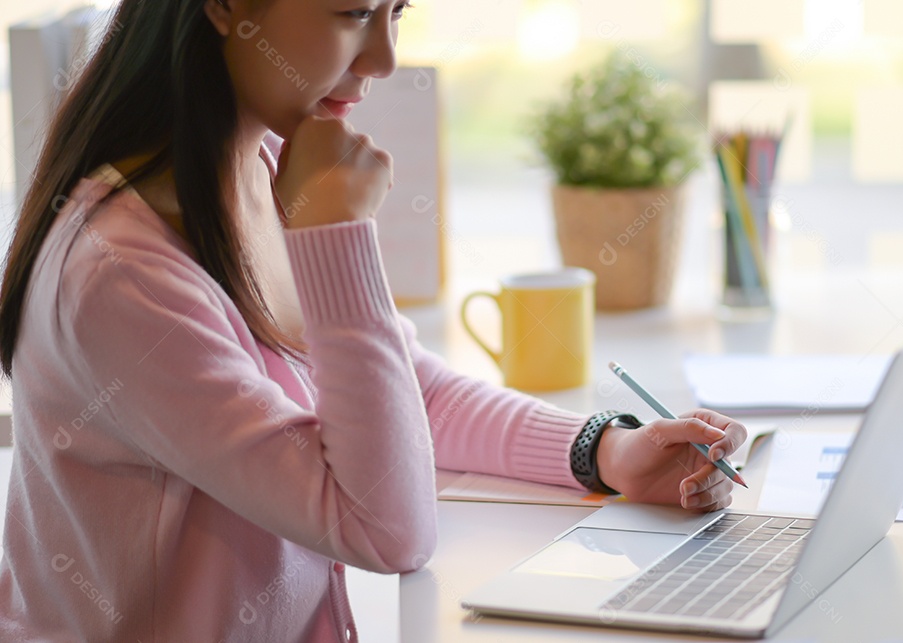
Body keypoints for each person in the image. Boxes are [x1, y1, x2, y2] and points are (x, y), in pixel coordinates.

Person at [0, 0, 747, 639]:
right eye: (354, 13)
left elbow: (407, 395)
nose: (385, 58)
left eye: (396, 12)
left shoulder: (257, 169)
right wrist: (335, 237)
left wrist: (608, 451)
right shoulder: (122, 275)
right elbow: (387, 529)